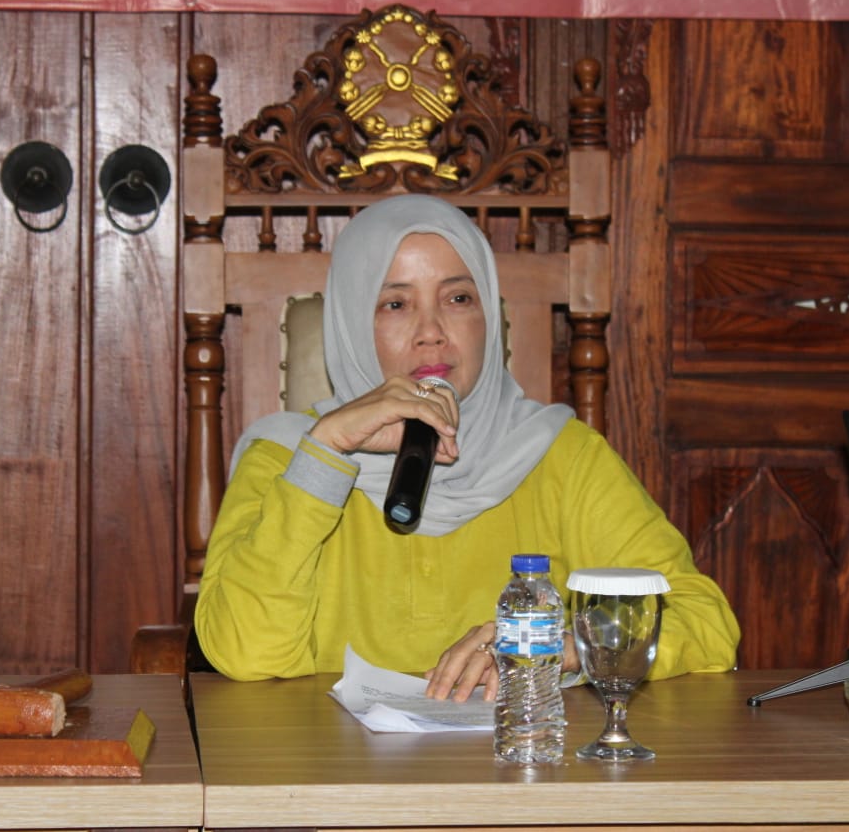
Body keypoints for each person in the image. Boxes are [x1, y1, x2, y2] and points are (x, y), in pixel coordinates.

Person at [194, 194, 739, 700]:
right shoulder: (289, 458)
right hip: (331, 766)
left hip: (523, 758)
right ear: (350, 322)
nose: (431, 331)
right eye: (395, 304)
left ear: (488, 319)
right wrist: (329, 451)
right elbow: (244, 652)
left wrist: (567, 646)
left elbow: (703, 620)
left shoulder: (559, 454)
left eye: (458, 298)